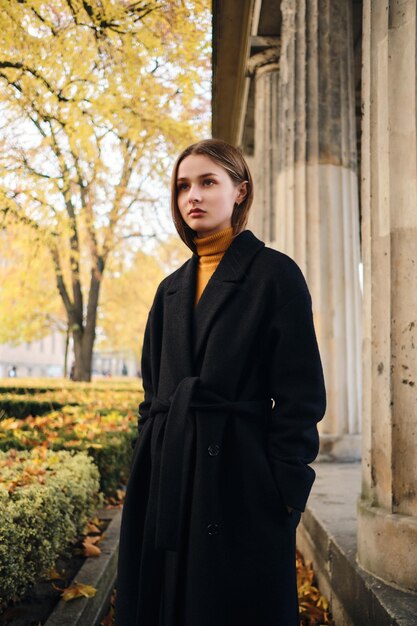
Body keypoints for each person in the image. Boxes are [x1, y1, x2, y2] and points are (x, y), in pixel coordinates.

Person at [115, 138, 326, 626]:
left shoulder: (275, 275)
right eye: (183, 185)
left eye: (209, 182)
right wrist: (148, 467)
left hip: (241, 484)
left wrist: (285, 495)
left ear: (240, 192)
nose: (193, 195)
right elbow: (152, 398)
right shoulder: (168, 289)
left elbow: (301, 397)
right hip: (167, 479)